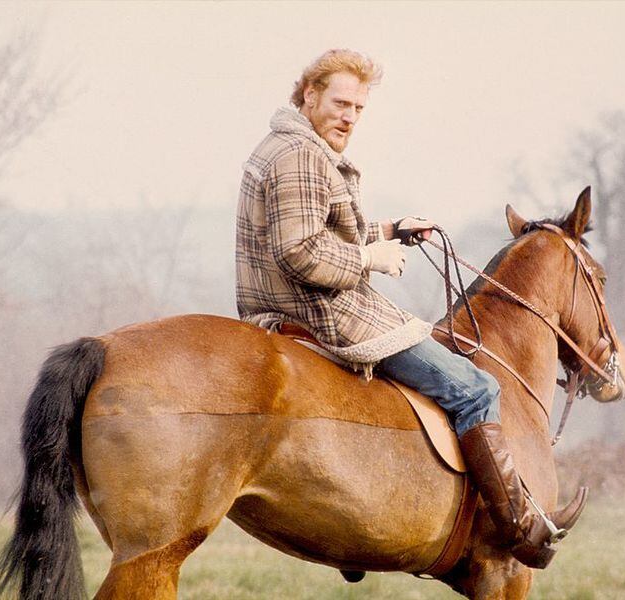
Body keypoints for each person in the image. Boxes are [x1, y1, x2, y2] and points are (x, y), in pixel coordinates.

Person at [235, 49, 556, 568]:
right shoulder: (300, 154)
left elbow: (324, 227)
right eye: (341, 103)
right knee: (475, 387)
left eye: (358, 108)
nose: (349, 117)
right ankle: (516, 525)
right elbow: (299, 251)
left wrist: (390, 232)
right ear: (309, 94)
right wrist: (370, 258)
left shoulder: (298, 147)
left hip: (313, 304)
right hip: (326, 314)